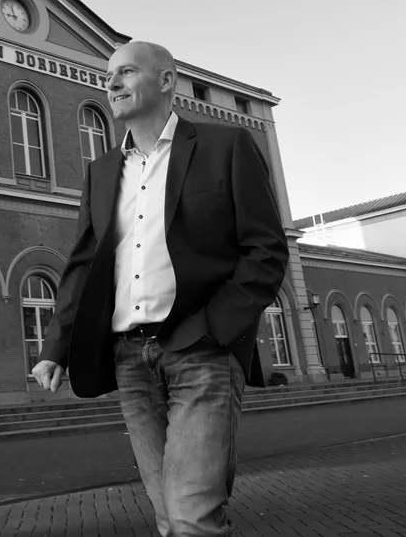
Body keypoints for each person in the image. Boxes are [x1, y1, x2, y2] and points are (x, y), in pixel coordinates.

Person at [32, 41, 288, 536]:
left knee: (191, 515)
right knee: (170, 518)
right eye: (107, 76)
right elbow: (85, 264)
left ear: (166, 81)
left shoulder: (226, 146)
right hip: (130, 360)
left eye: (126, 72)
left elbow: (266, 248)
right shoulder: (102, 172)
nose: (111, 83)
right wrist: (56, 346)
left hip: (202, 351)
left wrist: (217, 327)